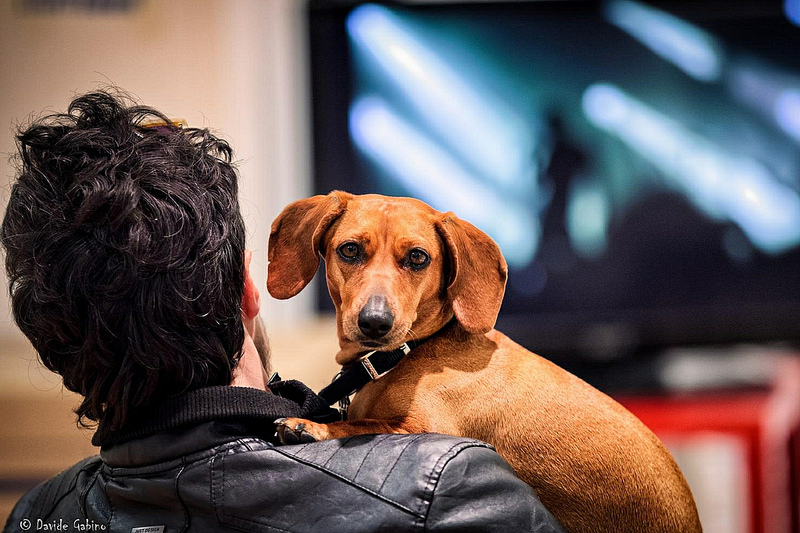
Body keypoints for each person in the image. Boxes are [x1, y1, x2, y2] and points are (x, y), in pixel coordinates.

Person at [1, 91, 564, 532]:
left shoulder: (34, 515)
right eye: (352, 253)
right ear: (251, 286)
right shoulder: (447, 486)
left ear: (52, 340)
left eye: (413, 260)